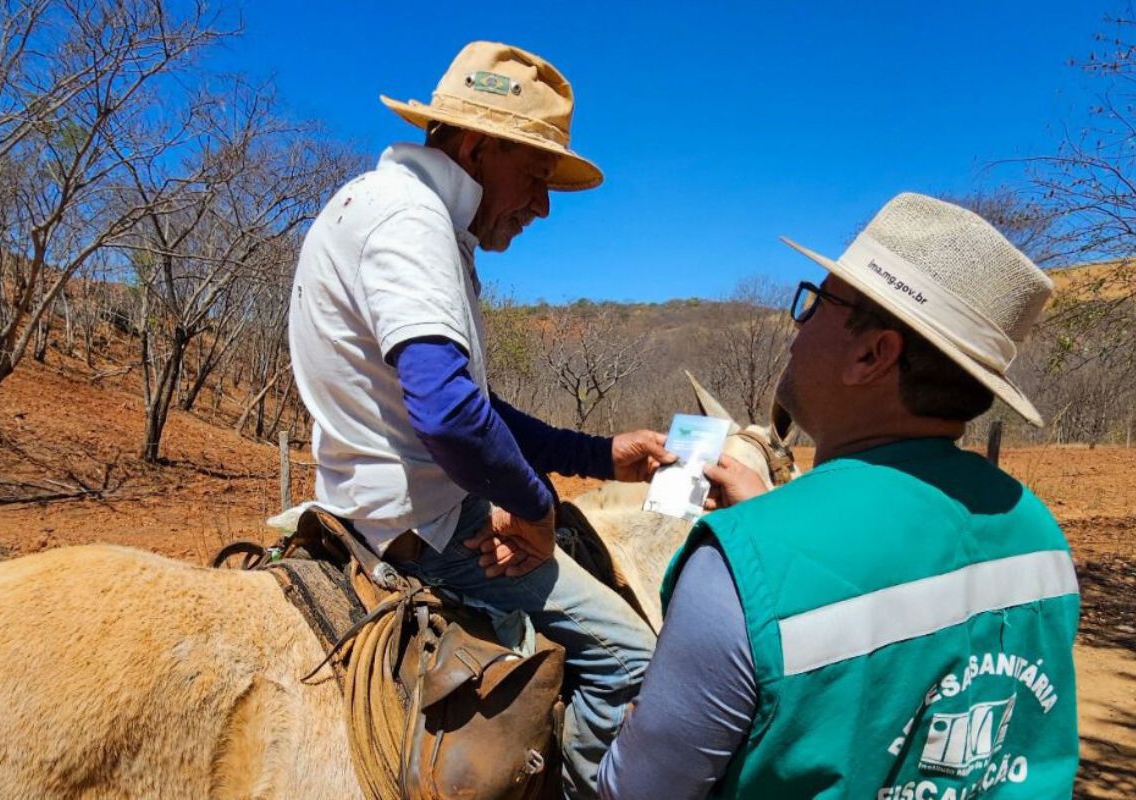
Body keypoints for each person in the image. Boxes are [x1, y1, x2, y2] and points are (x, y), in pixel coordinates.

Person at [598, 193, 1080, 799]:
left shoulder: (739, 565)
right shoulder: (1037, 530)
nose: (797, 326)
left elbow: (636, 790)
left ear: (871, 354)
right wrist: (769, 521)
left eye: (816, 303)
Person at [288, 41, 667, 800]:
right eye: (536, 174)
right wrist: (535, 504)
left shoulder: (380, 204)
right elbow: (452, 416)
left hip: (374, 502)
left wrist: (600, 455)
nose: (542, 204)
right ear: (476, 146)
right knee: (636, 661)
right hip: (429, 526)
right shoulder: (412, 218)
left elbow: (473, 405)